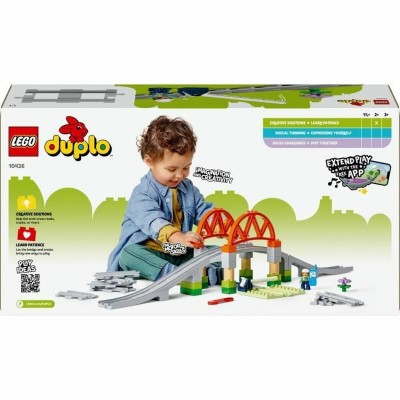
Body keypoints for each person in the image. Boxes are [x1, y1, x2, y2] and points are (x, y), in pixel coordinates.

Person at [107, 115, 221, 283]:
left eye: (186, 168)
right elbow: (156, 223)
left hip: (178, 252)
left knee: (216, 251)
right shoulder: (142, 193)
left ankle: (208, 271)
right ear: (150, 161)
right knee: (129, 254)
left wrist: (220, 223)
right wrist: (180, 238)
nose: (180, 175)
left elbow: (204, 211)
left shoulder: (188, 188)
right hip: (149, 253)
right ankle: (175, 274)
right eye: (172, 169)